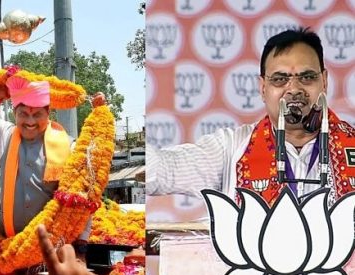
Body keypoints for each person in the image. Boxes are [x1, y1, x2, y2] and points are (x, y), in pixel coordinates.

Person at [147, 27, 355, 206]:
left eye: (307, 77)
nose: (294, 89)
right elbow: (163, 170)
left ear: (324, 81)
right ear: (263, 88)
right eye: (280, 79)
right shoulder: (231, 148)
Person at [0, 34, 92, 269]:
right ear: (15, 113)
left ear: (48, 114)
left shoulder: (68, 145)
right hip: (10, 254)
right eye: (23, 114)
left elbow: (82, 202)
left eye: (37, 114)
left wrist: (82, 250)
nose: (30, 121)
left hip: (53, 258)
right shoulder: (3, 134)